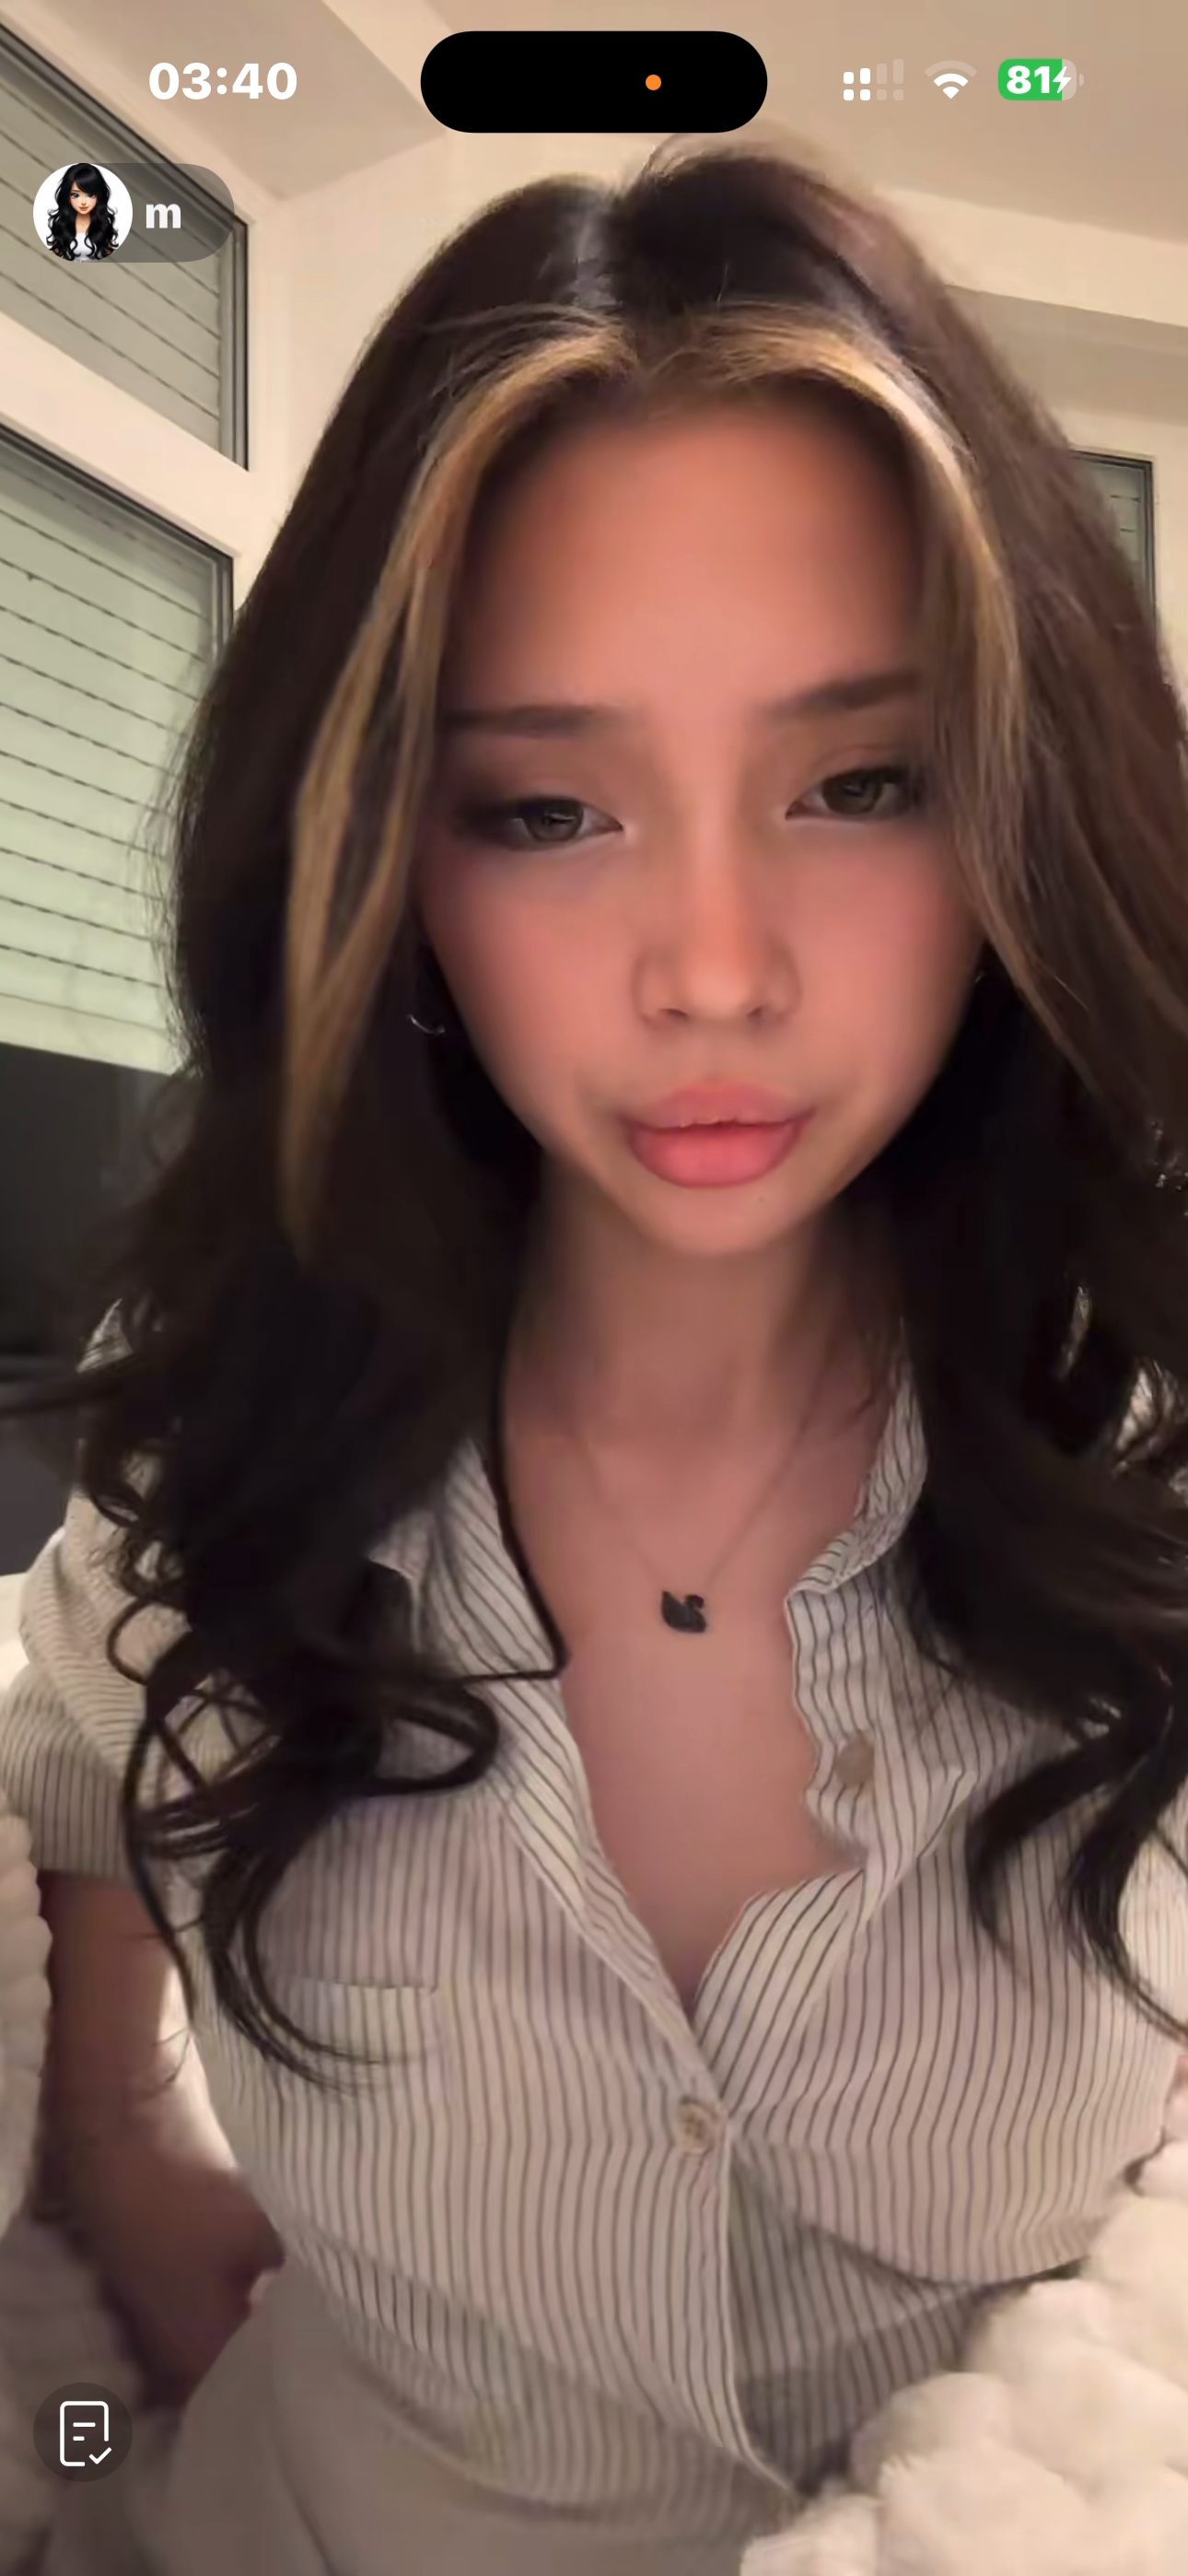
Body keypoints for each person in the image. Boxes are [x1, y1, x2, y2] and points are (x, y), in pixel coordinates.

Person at [2, 133, 1188, 2576]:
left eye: (859, 782)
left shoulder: (1144, 1438)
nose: (715, 969)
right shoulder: (229, 1414)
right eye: (548, 809)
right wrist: (110, 2120)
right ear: (386, 852)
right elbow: (79, 1732)